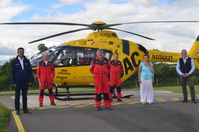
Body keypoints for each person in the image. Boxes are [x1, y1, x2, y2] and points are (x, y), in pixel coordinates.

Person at [11, 47, 33, 115]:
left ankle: (25, 109)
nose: (21, 53)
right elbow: (12, 73)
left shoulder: (27, 61)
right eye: (20, 52)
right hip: (17, 82)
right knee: (17, 96)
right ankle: (17, 110)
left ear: (24, 52)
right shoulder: (14, 61)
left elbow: (30, 72)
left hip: (25, 81)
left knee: (25, 96)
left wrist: (30, 80)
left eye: (22, 52)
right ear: (17, 52)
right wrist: (13, 82)